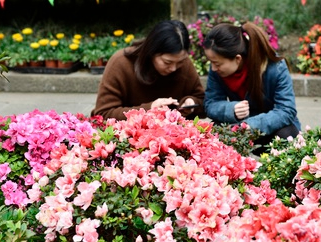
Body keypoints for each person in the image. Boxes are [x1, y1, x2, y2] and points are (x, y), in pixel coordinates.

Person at [202, 21, 301, 153]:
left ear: (237, 59)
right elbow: (210, 104)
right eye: (211, 62)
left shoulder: (275, 66)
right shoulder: (217, 68)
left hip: (270, 132)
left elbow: (286, 110)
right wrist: (231, 110)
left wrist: (251, 125)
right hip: (238, 130)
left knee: (287, 133)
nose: (213, 68)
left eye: (217, 64)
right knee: (213, 130)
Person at [92, 20, 205, 120]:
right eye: (167, 62)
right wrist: (150, 109)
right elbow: (103, 113)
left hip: (176, 136)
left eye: (179, 62)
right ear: (151, 52)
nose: (173, 68)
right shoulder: (121, 63)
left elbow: (203, 101)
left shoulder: (185, 63)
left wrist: (191, 103)